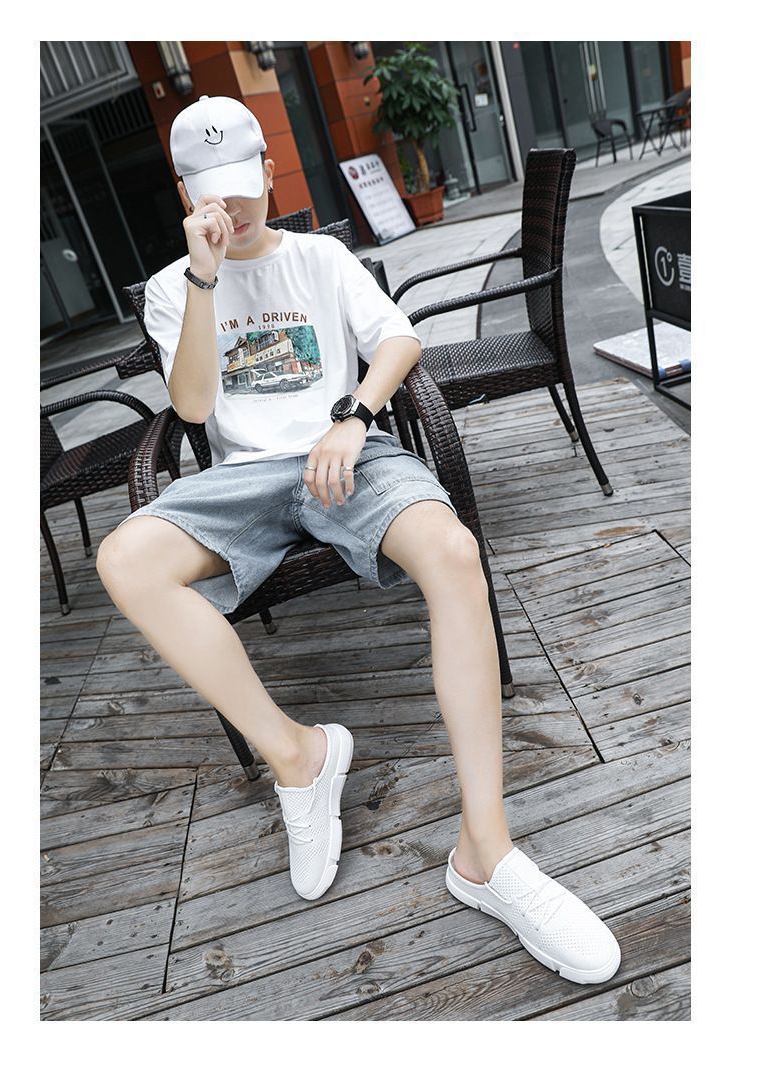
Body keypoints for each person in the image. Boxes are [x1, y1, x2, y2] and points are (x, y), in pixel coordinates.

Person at [96, 95, 621, 985]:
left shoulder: (321, 257)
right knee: (123, 560)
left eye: (247, 182)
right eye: (214, 190)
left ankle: (485, 852)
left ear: (270, 170)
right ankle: (298, 757)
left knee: (452, 552)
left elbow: (399, 340)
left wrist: (353, 414)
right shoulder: (172, 286)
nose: (237, 205)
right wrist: (203, 279)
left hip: (345, 452)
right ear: (187, 193)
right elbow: (190, 406)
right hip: (243, 478)